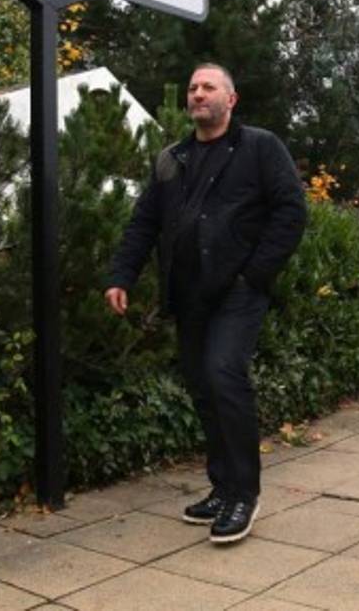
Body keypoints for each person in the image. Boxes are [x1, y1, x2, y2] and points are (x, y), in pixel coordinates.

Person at [104, 63, 307, 545]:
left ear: (230, 99)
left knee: (223, 374)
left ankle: (244, 494)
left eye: (208, 87)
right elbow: (144, 221)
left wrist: (254, 275)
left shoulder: (259, 147)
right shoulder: (172, 158)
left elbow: (291, 211)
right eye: (193, 87)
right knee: (202, 387)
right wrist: (122, 274)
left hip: (237, 292)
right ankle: (222, 487)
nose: (197, 94)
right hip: (188, 294)